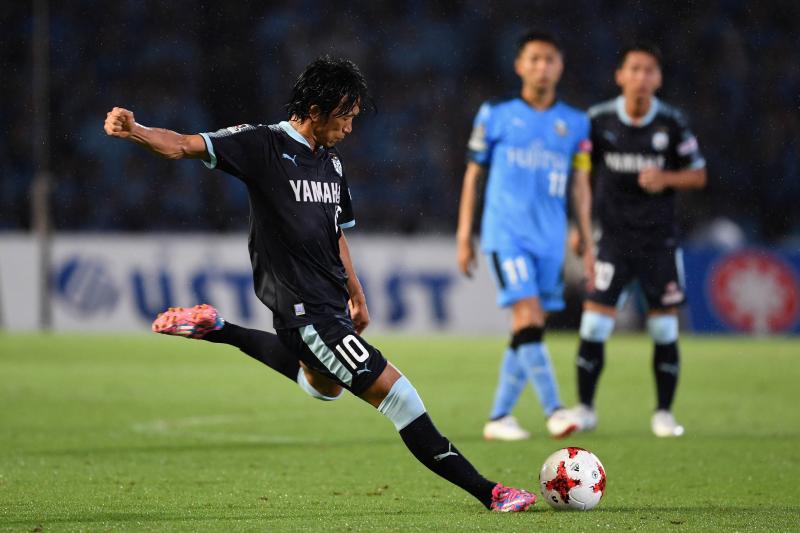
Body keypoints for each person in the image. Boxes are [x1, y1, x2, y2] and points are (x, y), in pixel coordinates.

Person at [103, 56, 536, 511]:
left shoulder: (332, 163)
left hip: (330, 305)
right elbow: (183, 145)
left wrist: (357, 294)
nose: (350, 128)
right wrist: (136, 130)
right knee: (402, 398)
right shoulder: (262, 144)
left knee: (322, 387)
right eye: (345, 116)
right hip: (302, 310)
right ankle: (491, 493)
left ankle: (218, 328)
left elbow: (336, 233)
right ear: (314, 109)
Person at [562, 43, 707, 437]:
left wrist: (667, 179)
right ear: (620, 76)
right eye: (635, 69)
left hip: (659, 242)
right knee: (593, 326)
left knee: (664, 330)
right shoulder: (599, 119)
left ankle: (663, 413)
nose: (641, 77)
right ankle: (586, 408)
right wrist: (579, 226)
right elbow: (582, 176)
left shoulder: (673, 123)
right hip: (612, 239)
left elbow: (698, 174)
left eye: (649, 70)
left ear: (658, 79)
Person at [455, 32, 593, 441]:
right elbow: (473, 174)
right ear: (519, 65)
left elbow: (581, 184)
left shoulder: (576, 122)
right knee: (529, 316)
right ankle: (555, 409)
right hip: (506, 234)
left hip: (550, 240)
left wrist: (585, 235)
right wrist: (465, 233)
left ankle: (499, 417)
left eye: (549, 59)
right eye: (534, 59)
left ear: (560, 66)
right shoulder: (495, 114)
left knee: (527, 328)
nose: (542, 67)